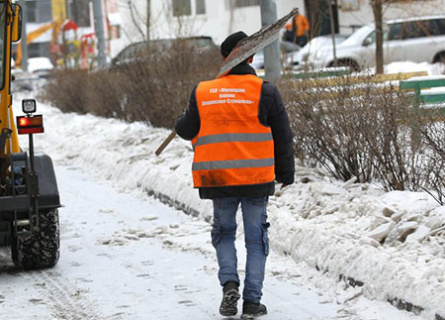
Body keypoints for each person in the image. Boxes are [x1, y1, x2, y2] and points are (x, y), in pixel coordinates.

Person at [175, 31, 295, 319]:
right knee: (256, 240)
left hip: (219, 180)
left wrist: (185, 114)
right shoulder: (265, 91)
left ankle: (229, 284)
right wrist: (286, 173)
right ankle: (252, 302)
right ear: (250, 57)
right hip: (255, 180)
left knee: (224, 233)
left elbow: (185, 131)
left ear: (224, 57)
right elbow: (283, 135)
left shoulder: (203, 91)